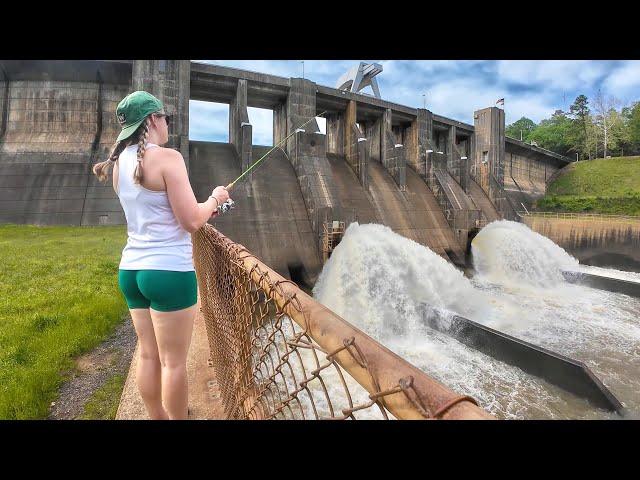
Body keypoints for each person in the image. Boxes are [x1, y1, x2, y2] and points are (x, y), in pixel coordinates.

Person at [92, 91, 230, 420]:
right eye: (165, 117)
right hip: (169, 272)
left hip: (131, 273)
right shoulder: (168, 159)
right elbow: (192, 220)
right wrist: (215, 199)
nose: (168, 122)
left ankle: (157, 416)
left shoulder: (118, 166)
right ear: (153, 120)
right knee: (174, 363)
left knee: (149, 356)